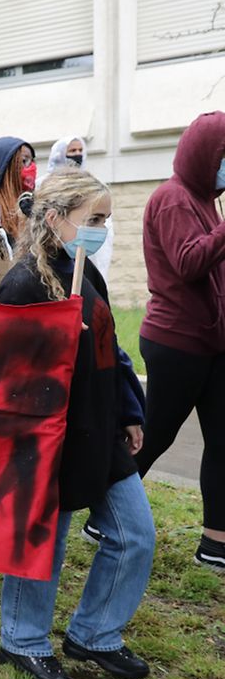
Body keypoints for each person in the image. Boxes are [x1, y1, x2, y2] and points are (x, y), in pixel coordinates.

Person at [0, 169, 154, 679]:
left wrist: (130, 411)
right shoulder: (24, 284)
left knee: (135, 537)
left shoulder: (88, 275)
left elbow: (114, 351)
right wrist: (50, 344)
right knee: (45, 544)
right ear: (57, 218)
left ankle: (95, 633)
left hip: (100, 429)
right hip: (51, 441)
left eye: (106, 220)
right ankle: (23, 640)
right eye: (94, 219)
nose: (100, 230)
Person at [134, 111, 225, 571]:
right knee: (155, 436)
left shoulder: (209, 201)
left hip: (212, 343)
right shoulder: (172, 199)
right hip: (176, 342)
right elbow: (189, 263)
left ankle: (215, 541)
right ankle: (107, 513)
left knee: (223, 439)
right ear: (207, 154)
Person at [45, 136, 115, 281]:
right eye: (72, 150)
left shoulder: (93, 184)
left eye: (80, 150)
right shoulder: (45, 184)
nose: (77, 154)